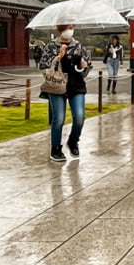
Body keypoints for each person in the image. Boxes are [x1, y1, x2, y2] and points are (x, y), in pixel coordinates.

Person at [38, 23, 90, 162]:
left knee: (79, 116)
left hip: (76, 86)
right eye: (66, 28)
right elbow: (43, 66)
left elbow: (85, 70)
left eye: (71, 28)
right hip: (57, 86)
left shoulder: (79, 47)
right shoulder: (50, 46)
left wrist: (83, 66)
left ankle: (73, 141)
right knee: (59, 118)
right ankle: (55, 148)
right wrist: (57, 58)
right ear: (60, 30)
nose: (69, 31)